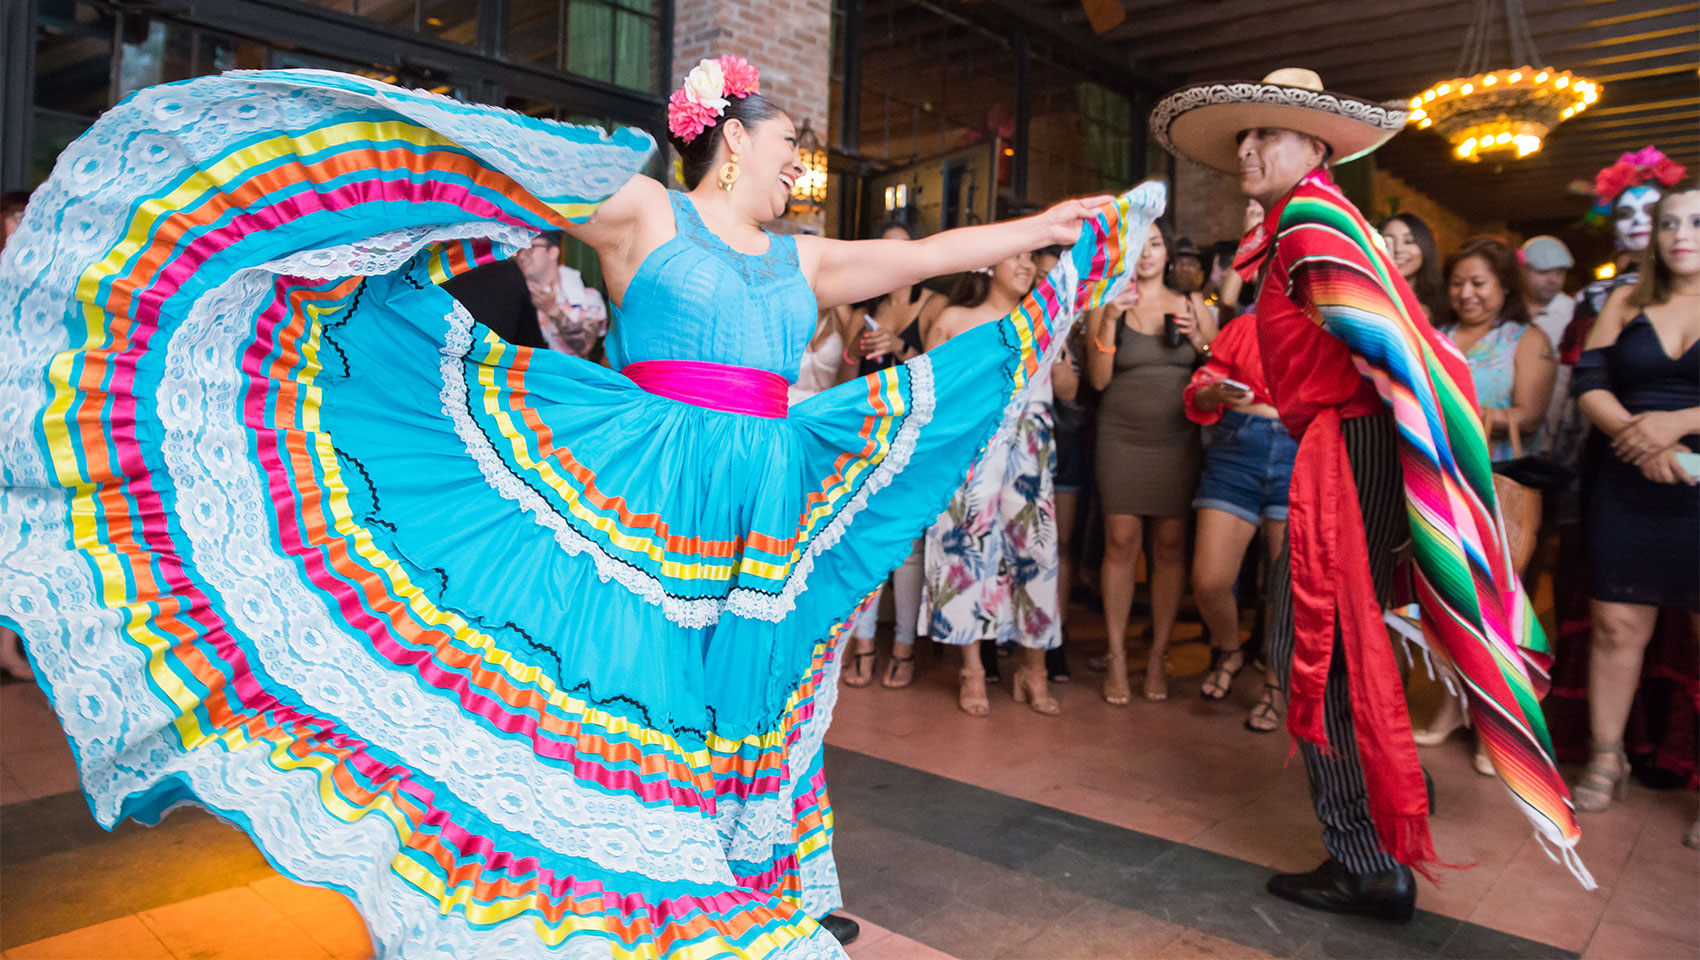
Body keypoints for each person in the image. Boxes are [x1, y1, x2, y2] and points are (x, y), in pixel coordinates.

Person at [0, 64, 1166, 958]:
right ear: (729, 142)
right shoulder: (643, 216)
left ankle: (757, 879)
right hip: (640, 486)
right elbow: (491, 175)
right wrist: (411, 143)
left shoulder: (801, 259)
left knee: (758, 688)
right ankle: (614, 883)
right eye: (784, 145)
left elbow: (932, 247)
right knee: (637, 681)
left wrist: (1044, 229)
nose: (793, 165)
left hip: (759, 503)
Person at [1151, 66, 1592, 923]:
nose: (1247, 147)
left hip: (1349, 448)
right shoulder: (1299, 227)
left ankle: (1367, 853)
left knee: (1311, 641)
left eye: (1265, 134)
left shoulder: (1314, 221)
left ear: (1314, 146)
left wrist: (1406, 444)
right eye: (1242, 135)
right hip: (1343, 445)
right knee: (1328, 643)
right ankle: (1380, 815)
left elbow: (1399, 348)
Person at [1570, 184, 1700, 849]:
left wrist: (1677, 423)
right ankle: (1606, 756)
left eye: (1697, 222)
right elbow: (1589, 377)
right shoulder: (1626, 297)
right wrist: (1636, 435)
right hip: (1627, 476)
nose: (1682, 233)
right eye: (1670, 222)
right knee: (1616, 625)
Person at [917, 253, 1076, 716]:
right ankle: (971, 668)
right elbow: (929, 388)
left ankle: (1035, 668)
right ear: (990, 264)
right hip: (972, 438)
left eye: (1033, 260)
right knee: (966, 548)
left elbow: (1067, 389)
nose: (1027, 266)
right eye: (1018, 256)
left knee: (1037, 549)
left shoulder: (1045, 318)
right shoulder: (956, 318)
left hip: (1030, 440)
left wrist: (1060, 341)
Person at [1085, 220, 1217, 703]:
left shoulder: (1194, 306)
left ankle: (1157, 655)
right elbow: (1098, 381)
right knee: (1120, 538)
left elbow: (1219, 370)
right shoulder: (1107, 306)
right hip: (1120, 436)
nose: (1146, 253)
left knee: (1170, 542)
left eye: (1155, 243)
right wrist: (1105, 322)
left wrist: (1199, 340)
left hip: (1177, 438)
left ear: (1169, 252)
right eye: (1136, 245)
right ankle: (1117, 655)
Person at [840, 220, 946, 690]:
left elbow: (943, 373)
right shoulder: (865, 307)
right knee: (861, 537)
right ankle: (863, 643)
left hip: (917, 436)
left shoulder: (937, 305)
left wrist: (900, 346)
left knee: (907, 544)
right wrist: (856, 339)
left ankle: (903, 645)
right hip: (868, 436)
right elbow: (846, 371)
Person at [1182, 312, 1294, 727]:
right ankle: (1230, 650)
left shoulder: (1333, 327)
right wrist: (1212, 394)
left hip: (1301, 451)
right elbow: (1204, 386)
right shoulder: (1247, 325)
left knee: (1284, 589)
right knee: (1209, 580)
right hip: (1236, 449)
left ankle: (1275, 682)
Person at [1440, 238, 1557, 460]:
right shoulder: (1436, 336)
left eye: (1478, 283)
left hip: (1495, 471)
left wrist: (1453, 411)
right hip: (1435, 468)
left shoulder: (1528, 340)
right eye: (1457, 283)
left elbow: (1529, 419)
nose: (1465, 294)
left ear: (1505, 285)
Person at [517, 229, 609, 358]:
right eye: (518, 249)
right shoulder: (511, 293)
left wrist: (552, 310)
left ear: (553, 252)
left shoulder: (588, 297)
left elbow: (585, 346)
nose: (521, 256)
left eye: (530, 248)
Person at [1378, 213, 1446, 322]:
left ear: (1426, 246)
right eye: (1389, 242)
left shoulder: (1444, 302)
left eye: (1408, 241)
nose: (1398, 249)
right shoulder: (1366, 296)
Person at [1522, 235, 1574, 349]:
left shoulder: (1574, 314)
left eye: (1560, 272)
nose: (1553, 280)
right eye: (1543, 272)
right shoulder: (1505, 310)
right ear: (1523, 271)